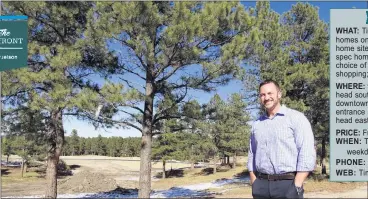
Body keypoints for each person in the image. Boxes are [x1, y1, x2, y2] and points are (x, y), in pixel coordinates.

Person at [247, 80, 316, 199]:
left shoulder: (296, 118)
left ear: (279, 94)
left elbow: (307, 152)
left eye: (270, 93)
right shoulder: (257, 124)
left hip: (288, 184)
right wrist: (254, 182)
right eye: (262, 95)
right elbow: (252, 154)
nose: (266, 98)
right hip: (261, 185)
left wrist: (297, 184)